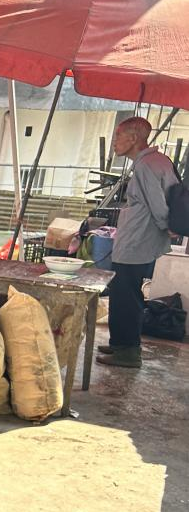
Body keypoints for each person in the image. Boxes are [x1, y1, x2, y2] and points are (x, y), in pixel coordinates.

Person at [99, 116, 178, 368]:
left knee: (126, 295)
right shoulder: (159, 160)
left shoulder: (146, 165)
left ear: (133, 138)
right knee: (126, 292)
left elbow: (158, 204)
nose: (114, 142)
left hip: (137, 240)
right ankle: (121, 343)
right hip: (140, 237)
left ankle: (127, 352)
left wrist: (168, 226)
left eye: (118, 136)